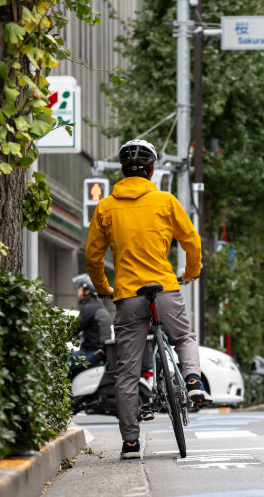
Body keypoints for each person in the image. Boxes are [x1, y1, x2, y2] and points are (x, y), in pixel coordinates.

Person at [86, 139, 211, 460]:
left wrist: (103, 288)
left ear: (123, 170)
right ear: (153, 171)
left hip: (128, 296)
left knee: (127, 372)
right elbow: (192, 241)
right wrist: (191, 272)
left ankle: (130, 443)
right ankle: (193, 380)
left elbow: (93, 258)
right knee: (183, 336)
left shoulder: (106, 206)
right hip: (166, 289)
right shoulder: (165, 201)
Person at [69, 274, 109, 377]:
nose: (78, 290)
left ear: (87, 291)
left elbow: (74, 329)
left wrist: (59, 338)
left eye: (80, 288)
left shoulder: (89, 308)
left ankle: (65, 393)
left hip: (92, 354)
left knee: (62, 360)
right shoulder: (97, 306)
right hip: (100, 353)